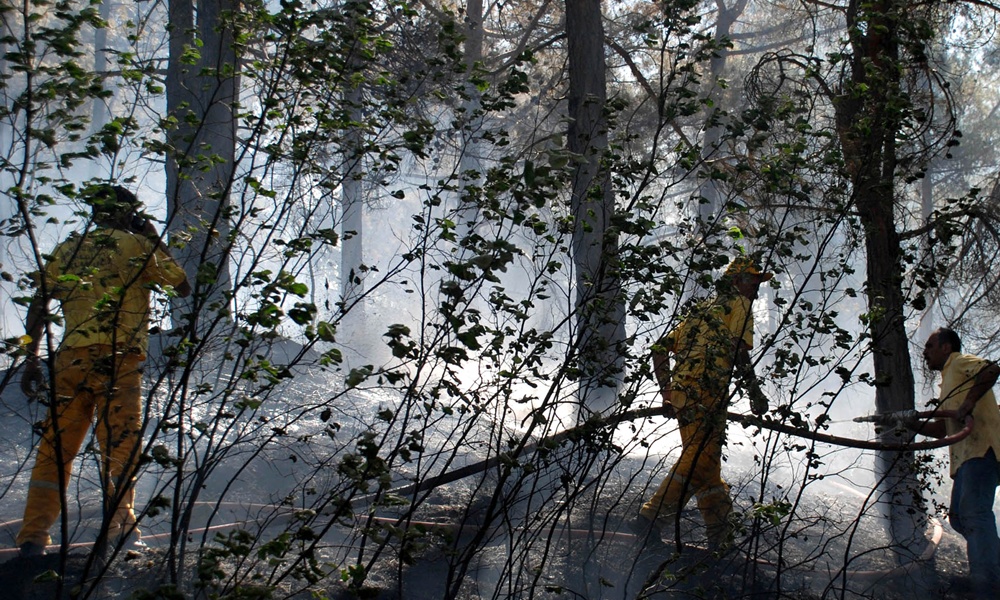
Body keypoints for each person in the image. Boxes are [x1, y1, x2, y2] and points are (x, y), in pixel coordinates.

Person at [16, 185, 191, 557]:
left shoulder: (70, 248)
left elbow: (38, 303)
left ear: (96, 213)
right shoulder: (137, 247)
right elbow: (183, 287)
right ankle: (121, 529)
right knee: (120, 446)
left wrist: (30, 358)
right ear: (127, 214)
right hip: (118, 360)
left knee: (55, 450)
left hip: (69, 361)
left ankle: (33, 537)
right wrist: (152, 238)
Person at [633, 256, 771, 552]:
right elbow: (738, 351)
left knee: (706, 465)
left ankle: (722, 539)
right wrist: (754, 393)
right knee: (698, 459)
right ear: (736, 282)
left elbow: (659, 348)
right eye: (752, 282)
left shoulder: (700, 310)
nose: (756, 290)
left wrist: (668, 391)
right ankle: (651, 518)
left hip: (684, 394)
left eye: (758, 284)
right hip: (709, 393)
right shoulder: (739, 305)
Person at [909, 327, 1000, 599]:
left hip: (982, 449)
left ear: (946, 347)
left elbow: (992, 369)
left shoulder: (959, 363)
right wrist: (912, 424)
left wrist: (969, 403)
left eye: (930, 346)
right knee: (960, 518)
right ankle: (992, 569)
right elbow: (942, 429)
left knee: (974, 513)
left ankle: (988, 583)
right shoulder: (947, 381)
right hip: (966, 457)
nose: (925, 353)